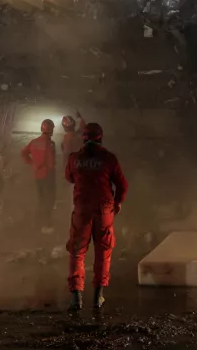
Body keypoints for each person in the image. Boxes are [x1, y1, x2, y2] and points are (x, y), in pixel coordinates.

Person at [65, 123, 128, 311]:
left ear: (83, 138)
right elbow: (122, 185)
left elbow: (69, 178)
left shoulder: (74, 158)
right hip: (104, 210)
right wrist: (117, 203)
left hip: (82, 210)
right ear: (101, 138)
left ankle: (76, 298)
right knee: (104, 252)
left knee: (77, 252)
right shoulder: (109, 159)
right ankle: (97, 297)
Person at [20, 119, 58, 230]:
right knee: (49, 199)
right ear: (51, 130)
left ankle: (36, 223)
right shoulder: (50, 144)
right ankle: (47, 224)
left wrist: (32, 163)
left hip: (37, 174)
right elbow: (51, 162)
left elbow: (23, 153)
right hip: (48, 175)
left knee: (40, 198)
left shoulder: (34, 142)